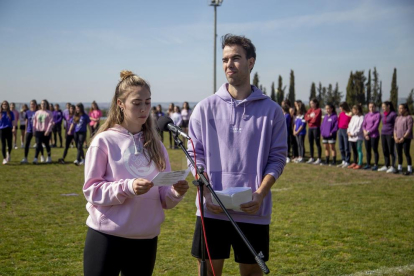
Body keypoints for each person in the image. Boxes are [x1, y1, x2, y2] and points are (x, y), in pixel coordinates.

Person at [187, 34, 287, 276]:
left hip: (253, 211)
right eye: (224, 59)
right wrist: (208, 192)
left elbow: (277, 158)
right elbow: (194, 153)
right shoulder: (204, 108)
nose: (228, 65)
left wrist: (261, 193)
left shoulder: (272, 111)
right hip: (212, 209)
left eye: (235, 58)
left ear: (251, 62)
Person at [83, 70, 189, 276]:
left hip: (145, 239)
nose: (144, 109)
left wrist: (175, 192)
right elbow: (92, 191)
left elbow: (164, 199)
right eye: (137, 102)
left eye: (147, 102)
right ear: (121, 104)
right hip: (107, 237)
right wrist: (128, 187)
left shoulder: (157, 146)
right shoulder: (104, 141)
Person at [394, 103, 413, 175]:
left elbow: (409, 129)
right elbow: (395, 129)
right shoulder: (397, 118)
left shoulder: (409, 118)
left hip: (406, 139)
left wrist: (404, 138)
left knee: (406, 153)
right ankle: (399, 168)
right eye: (399, 108)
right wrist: (395, 137)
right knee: (399, 154)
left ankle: (409, 169)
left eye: (401, 108)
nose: (400, 110)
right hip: (398, 138)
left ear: (406, 109)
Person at [378, 101, 397, 173]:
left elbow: (396, 125)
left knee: (391, 150)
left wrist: (394, 134)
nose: (382, 108)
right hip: (383, 133)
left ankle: (393, 166)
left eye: (384, 106)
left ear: (388, 106)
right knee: (385, 150)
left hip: (390, 134)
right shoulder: (383, 114)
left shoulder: (393, 114)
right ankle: (386, 165)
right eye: (382, 107)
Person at [362, 102, 381, 171]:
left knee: (375, 150)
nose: (371, 108)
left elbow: (376, 126)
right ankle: (368, 164)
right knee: (368, 150)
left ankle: (376, 164)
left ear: (375, 107)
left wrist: (368, 132)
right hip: (366, 135)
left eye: (373, 107)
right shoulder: (366, 115)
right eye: (370, 107)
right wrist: (365, 133)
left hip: (374, 135)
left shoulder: (378, 115)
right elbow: (363, 125)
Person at [305, 98, 322, 164]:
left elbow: (315, 120)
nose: (311, 105)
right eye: (310, 103)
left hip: (316, 128)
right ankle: (311, 157)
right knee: (310, 143)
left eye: (312, 103)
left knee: (317, 143)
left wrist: (310, 118)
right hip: (310, 128)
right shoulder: (310, 110)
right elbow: (306, 118)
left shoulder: (318, 110)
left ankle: (319, 158)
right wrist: (310, 118)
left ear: (316, 103)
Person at [347, 105, 364, 169]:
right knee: (354, 150)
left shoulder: (362, 117)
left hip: (358, 137)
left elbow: (360, 128)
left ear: (358, 110)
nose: (353, 111)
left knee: (358, 150)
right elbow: (349, 125)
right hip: (351, 137)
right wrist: (348, 132)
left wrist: (353, 134)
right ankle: (354, 162)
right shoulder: (353, 117)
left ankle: (360, 163)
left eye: (354, 110)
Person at [337, 102, 353, 168]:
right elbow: (339, 121)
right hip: (340, 130)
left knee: (347, 147)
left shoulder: (350, 114)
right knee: (341, 146)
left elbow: (351, 123)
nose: (340, 108)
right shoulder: (341, 114)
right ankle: (343, 160)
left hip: (346, 130)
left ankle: (347, 161)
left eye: (341, 107)